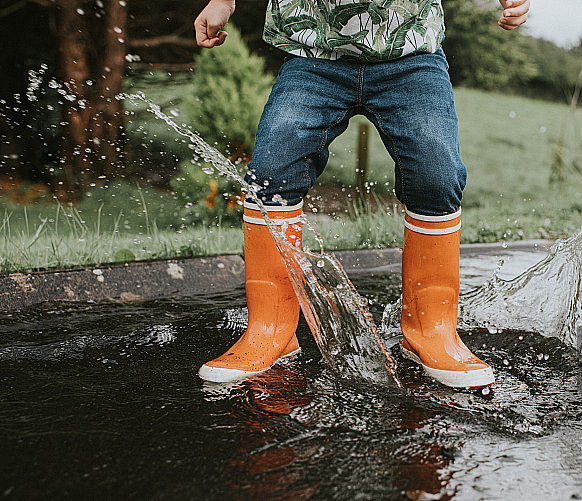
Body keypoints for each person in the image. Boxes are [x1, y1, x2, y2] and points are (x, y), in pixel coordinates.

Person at [195, 0, 530, 388]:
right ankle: (271, 330)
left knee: (436, 175)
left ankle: (431, 330)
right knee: (271, 171)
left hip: (410, 54)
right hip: (314, 53)